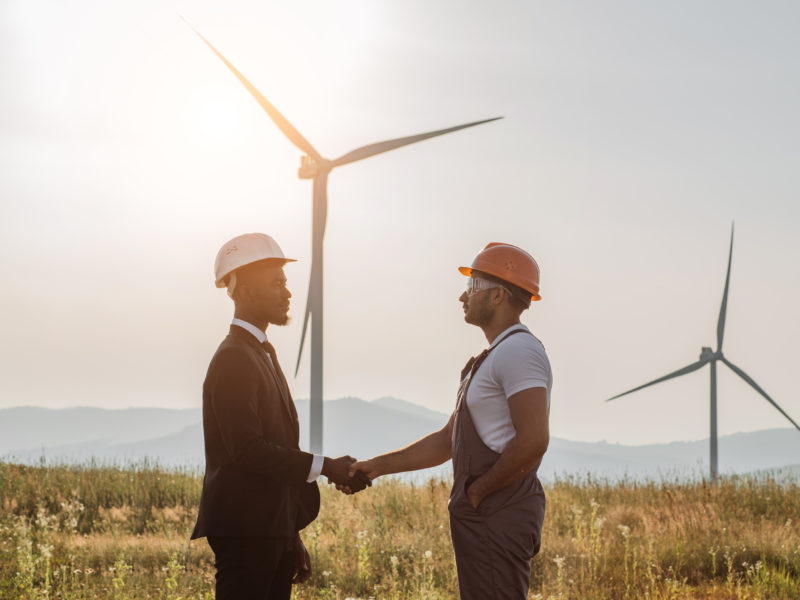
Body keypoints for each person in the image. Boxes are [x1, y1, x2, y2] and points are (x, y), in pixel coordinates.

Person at [349, 242, 551, 600]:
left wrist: (478, 492)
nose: (463, 296)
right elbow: (448, 440)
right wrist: (376, 466)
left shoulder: (520, 352)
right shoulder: (494, 357)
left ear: (498, 296)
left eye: (473, 286)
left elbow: (534, 440)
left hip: (495, 515)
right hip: (485, 517)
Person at [191, 232, 369, 600]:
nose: (287, 293)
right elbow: (249, 450)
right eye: (276, 283)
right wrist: (327, 467)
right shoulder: (234, 358)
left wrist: (289, 535)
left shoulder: (260, 353)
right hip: (245, 532)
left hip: (269, 531)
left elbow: (274, 453)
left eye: (286, 283)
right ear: (243, 291)